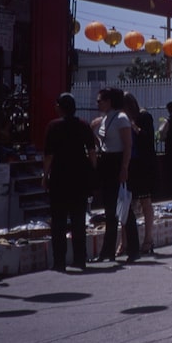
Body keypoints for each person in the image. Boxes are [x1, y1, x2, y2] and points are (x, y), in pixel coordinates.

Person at [42, 93, 97, 271]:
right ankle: (80, 259)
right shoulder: (83, 125)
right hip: (79, 177)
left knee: (58, 221)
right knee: (78, 220)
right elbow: (92, 152)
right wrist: (92, 171)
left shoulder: (53, 126)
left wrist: (45, 175)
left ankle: (59, 261)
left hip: (59, 177)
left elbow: (49, 155)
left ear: (61, 107)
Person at [94, 87, 139, 262]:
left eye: (100, 100)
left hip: (117, 161)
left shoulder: (121, 118)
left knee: (124, 208)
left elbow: (127, 145)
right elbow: (103, 143)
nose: (98, 103)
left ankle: (133, 249)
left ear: (109, 101)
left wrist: (124, 167)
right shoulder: (104, 119)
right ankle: (107, 250)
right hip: (106, 161)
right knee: (110, 210)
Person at [123, 92, 158, 256]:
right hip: (131, 164)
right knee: (128, 204)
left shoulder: (144, 117)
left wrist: (133, 126)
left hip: (143, 165)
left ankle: (148, 239)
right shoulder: (123, 121)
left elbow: (148, 138)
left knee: (145, 201)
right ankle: (126, 241)